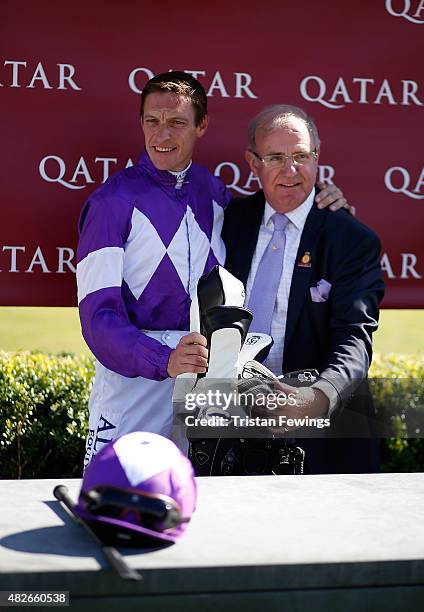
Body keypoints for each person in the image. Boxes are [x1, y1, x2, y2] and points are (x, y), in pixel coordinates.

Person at [76, 73, 350, 468]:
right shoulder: (110, 203)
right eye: (152, 121)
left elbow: (277, 214)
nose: (162, 133)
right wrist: (164, 359)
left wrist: (328, 204)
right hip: (133, 385)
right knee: (118, 508)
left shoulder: (213, 192)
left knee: (202, 509)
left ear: (202, 126)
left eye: (177, 122)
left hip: (207, 382)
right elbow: (97, 318)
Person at [218, 104, 385, 474]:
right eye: (276, 157)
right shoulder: (227, 226)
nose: (290, 170)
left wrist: (318, 397)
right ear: (252, 162)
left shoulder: (351, 240)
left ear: (317, 156)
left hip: (324, 444)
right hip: (234, 433)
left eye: (301, 156)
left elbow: (354, 338)